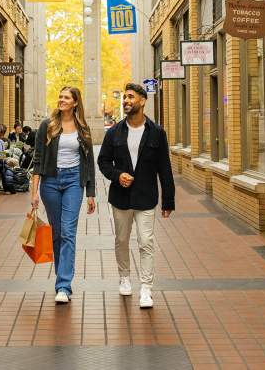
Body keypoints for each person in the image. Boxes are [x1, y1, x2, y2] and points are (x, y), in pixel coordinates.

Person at [97, 83, 175, 309]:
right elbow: (103, 161)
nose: (126, 101)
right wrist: (117, 175)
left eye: (131, 97)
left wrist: (167, 199)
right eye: (124, 98)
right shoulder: (114, 132)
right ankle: (124, 277)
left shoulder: (157, 132)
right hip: (120, 198)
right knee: (121, 240)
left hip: (146, 196)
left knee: (146, 242)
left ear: (142, 101)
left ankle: (146, 288)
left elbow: (165, 167)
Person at [31, 86, 96, 304]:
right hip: (50, 182)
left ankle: (63, 286)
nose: (62, 100)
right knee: (57, 233)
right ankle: (62, 277)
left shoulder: (82, 128)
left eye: (66, 97)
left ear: (75, 102)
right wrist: (34, 192)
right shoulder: (47, 126)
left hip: (73, 182)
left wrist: (91, 193)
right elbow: (38, 159)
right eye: (60, 96)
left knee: (68, 232)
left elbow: (89, 163)